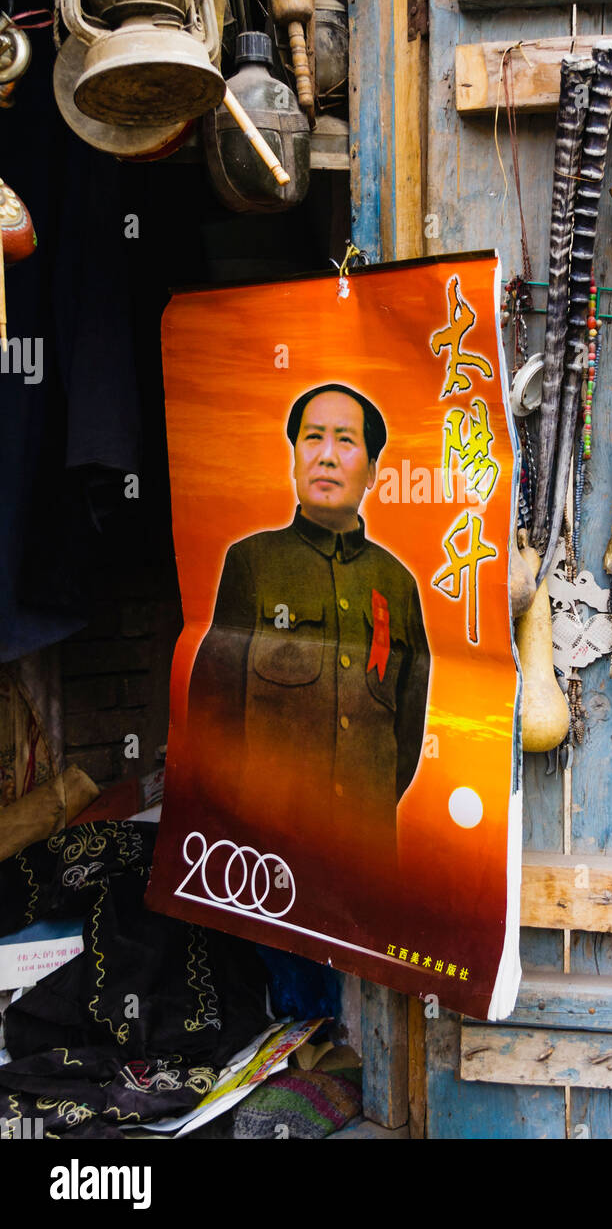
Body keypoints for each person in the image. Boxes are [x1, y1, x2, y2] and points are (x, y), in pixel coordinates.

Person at [185, 383, 431, 897]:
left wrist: (365, 806)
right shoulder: (252, 562)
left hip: (366, 857)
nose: (325, 456)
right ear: (294, 458)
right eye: (312, 438)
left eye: (345, 441)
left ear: (373, 471)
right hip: (265, 858)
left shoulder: (399, 583)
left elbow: (405, 735)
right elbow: (212, 714)